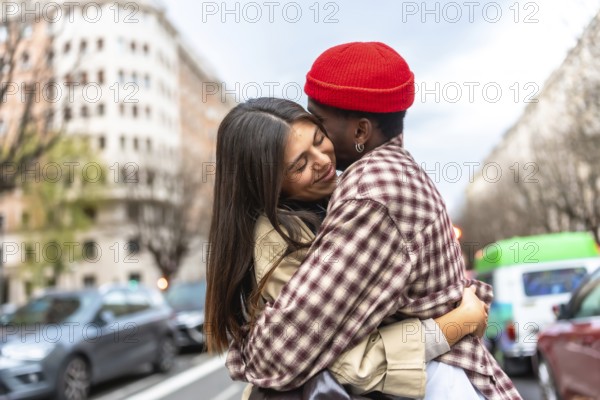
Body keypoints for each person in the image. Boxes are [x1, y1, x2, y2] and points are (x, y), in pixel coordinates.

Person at [225, 42, 522, 400]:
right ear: (267, 179)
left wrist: (249, 352)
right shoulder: (374, 181)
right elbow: (311, 351)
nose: (322, 159)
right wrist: (449, 326)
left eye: (320, 131)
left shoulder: (370, 193)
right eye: (299, 164)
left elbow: (278, 353)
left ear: (361, 132)